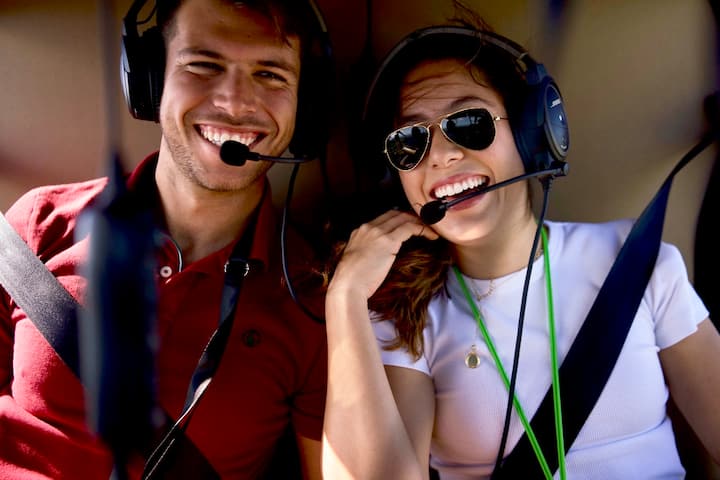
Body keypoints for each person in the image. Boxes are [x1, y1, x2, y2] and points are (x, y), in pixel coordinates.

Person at [321, 7, 720, 480]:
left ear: (534, 134)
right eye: (410, 141)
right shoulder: (405, 314)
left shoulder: (636, 262)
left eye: (469, 123)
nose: (442, 155)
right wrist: (345, 299)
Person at [0, 0, 330, 478]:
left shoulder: (315, 300)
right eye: (203, 65)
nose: (235, 102)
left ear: (307, 102)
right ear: (150, 80)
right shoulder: (40, 222)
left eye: (270, 74)